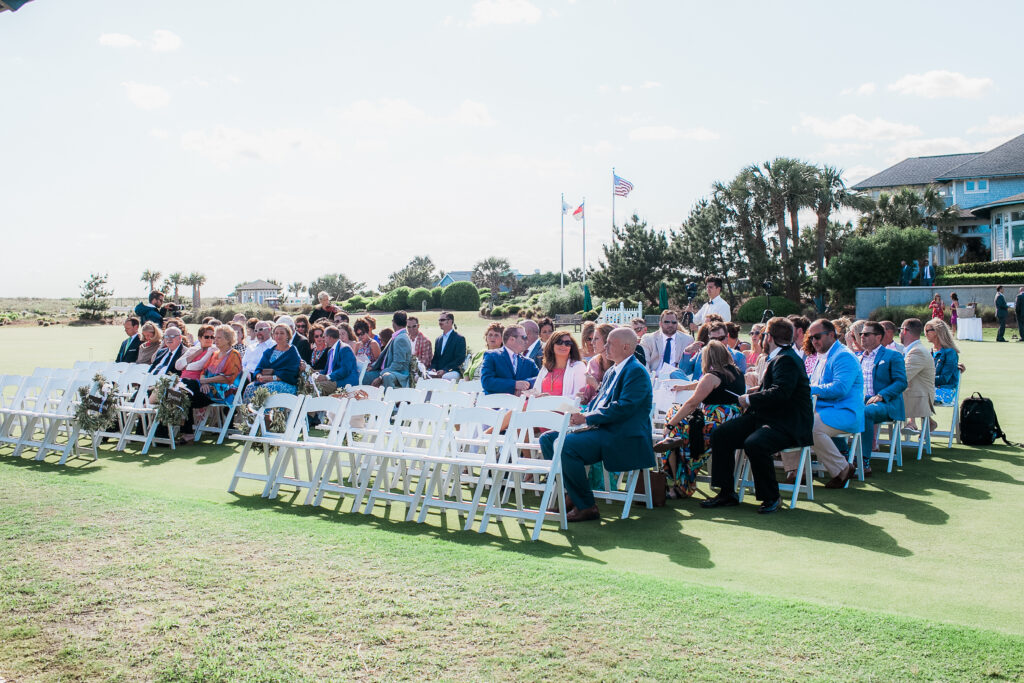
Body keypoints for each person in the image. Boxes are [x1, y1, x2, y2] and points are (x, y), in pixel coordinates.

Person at [538, 328, 655, 522]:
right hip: (602, 430)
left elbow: (624, 408)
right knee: (548, 439)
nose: (604, 346)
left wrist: (587, 418)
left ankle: (586, 506)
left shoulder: (636, 371)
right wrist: (580, 412)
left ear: (626, 347)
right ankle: (571, 494)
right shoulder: (612, 371)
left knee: (566, 444)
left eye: (610, 343)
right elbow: (597, 404)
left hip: (621, 435)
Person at [701, 317, 813, 514]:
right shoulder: (781, 357)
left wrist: (750, 399)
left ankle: (771, 496)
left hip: (787, 423)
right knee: (721, 434)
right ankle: (726, 492)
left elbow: (781, 393)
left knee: (756, 443)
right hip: (767, 417)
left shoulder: (786, 359)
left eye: (762, 335)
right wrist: (756, 391)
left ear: (769, 337)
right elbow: (775, 388)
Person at [655, 340, 744, 498]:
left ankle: (681, 482)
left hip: (714, 424)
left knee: (676, 421)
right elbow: (702, 384)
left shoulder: (711, 376)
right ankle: (680, 474)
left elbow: (692, 403)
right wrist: (684, 387)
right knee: (680, 429)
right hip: (732, 422)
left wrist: (669, 425)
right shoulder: (736, 373)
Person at [784, 319, 861, 488]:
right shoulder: (822, 356)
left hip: (845, 411)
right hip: (823, 410)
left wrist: (806, 389)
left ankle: (843, 468)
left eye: (817, 337)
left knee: (810, 427)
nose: (813, 341)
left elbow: (840, 388)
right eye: (811, 338)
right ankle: (797, 471)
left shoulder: (844, 356)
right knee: (788, 419)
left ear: (831, 335)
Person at [858, 321, 907, 475]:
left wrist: (881, 395)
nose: (862, 337)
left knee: (866, 412)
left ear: (878, 336)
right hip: (861, 400)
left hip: (886, 403)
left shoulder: (893, 356)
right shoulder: (856, 357)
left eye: (866, 334)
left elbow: (901, 382)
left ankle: (864, 460)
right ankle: (843, 455)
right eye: (861, 334)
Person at [242, 323, 301, 402]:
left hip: (285, 383)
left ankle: (265, 413)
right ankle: (250, 413)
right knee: (250, 387)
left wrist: (271, 378)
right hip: (265, 381)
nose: (278, 336)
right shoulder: (269, 352)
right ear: (273, 335)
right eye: (276, 333)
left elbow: (290, 373)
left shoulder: (292, 352)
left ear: (288, 335)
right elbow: (259, 368)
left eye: (282, 333)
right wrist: (259, 377)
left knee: (267, 388)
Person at [900, 318, 936, 433]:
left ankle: (871, 442)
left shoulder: (917, 351)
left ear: (904, 330)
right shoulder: (912, 350)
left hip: (918, 397)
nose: (899, 333)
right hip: (913, 393)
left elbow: (902, 377)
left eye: (899, 330)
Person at [480, 325, 538, 395]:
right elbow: (487, 381)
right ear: (512, 339)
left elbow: (539, 380)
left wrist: (528, 383)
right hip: (495, 403)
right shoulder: (492, 356)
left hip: (521, 404)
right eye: (524, 337)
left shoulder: (529, 363)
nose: (527, 341)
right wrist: (514, 385)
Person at [530, 330, 588, 399]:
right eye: (559, 342)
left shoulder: (578, 366)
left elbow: (579, 398)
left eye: (567, 343)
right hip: (541, 408)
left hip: (566, 409)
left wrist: (551, 399)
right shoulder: (545, 368)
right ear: (551, 345)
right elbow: (535, 392)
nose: (563, 345)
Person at [363, 311, 413, 388]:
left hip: (397, 374)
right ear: (406, 323)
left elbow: (398, 365)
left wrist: (381, 376)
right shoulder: (397, 335)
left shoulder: (401, 338)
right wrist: (372, 367)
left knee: (363, 377)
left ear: (393, 322)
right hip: (384, 369)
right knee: (362, 373)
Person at [640, 309, 694, 374]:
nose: (670, 325)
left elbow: (690, 365)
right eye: (666, 322)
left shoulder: (687, 339)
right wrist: (650, 379)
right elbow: (644, 363)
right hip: (654, 376)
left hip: (677, 378)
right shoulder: (648, 339)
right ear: (660, 323)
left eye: (674, 322)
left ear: (677, 324)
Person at [925, 319, 961, 410]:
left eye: (927, 331)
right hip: (929, 389)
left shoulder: (950, 353)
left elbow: (944, 379)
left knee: (915, 395)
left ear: (937, 332)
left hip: (945, 391)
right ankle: (929, 422)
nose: (925, 333)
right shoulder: (930, 352)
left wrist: (923, 379)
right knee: (908, 393)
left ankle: (918, 423)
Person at [314, 326, 359, 394]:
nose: (323, 340)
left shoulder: (345, 349)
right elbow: (327, 371)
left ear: (329, 337)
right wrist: (314, 373)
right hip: (333, 380)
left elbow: (345, 370)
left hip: (344, 381)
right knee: (309, 384)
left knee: (315, 387)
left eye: (324, 337)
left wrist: (327, 377)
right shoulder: (330, 351)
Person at [577, 323, 615, 405]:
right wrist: (582, 398)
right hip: (591, 408)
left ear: (607, 340)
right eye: (590, 339)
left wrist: (596, 385)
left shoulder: (619, 364)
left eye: (596, 339)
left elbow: (612, 399)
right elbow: (587, 395)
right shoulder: (593, 362)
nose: (592, 342)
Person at [429, 311, 467, 380]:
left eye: (442, 320)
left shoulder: (459, 339)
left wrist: (445, 370)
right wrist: (433, 369)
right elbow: (435, 359)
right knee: (425, 376)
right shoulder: (438, 339)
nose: (440, 322)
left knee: (445, 377)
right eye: (439, 320)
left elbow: (459, 359)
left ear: (450, 321)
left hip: (453, 371)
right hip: (438, 371)